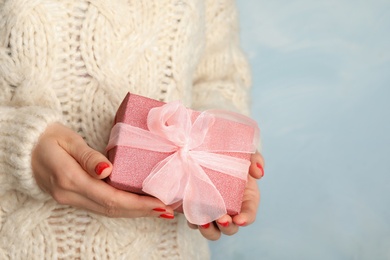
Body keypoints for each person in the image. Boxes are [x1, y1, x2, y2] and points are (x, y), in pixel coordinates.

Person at [0, 0, 264, 259]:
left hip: (166, 248)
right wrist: (18, 147)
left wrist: (224, 157)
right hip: (19, 242)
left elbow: (216, 79)